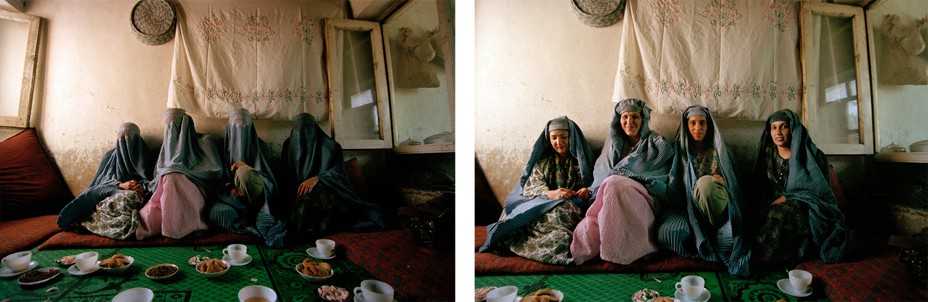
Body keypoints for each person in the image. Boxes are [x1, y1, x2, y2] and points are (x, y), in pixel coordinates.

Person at [478, 116, 595, 264]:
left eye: (563, 137)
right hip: (543, 201)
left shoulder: (583, 159)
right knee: (515, 217)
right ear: (548, 139)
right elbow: (533, 184)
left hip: (569, 206)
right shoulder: (543, 160)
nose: (558, 142)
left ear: (572, 137)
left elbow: (595, 182)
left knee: (560, 228)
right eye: (554, 138)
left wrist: (587, 190)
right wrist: (551, 193)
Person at [571, 98, 674, 265]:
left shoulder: (657, 144)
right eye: (625, 117)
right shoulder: (613, 144)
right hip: (609, 197)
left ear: (643, 119)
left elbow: (661, 178)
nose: (629, 122)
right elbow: (602, 172)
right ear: (618, 120)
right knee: (586, 231)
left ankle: (620, 253)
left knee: (614, 183)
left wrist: (624, 178)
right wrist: (591, 190)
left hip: (643, 200)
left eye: (635, 117)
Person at [656, 105, 751, 276]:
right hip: (688, 209)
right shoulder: (680, 152)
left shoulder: (719, 150)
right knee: (667, 232)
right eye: (692, 123)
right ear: (686, 126)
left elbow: (733, 187)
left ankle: (716, 237)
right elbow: (674, 188)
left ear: (708, 126)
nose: (697, 128)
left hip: (716, 209)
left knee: (705, 185)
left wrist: (721, 182)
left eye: (702, 123)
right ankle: (703, 240)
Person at [751, 109, 854, 266]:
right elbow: (759, 185)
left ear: (793, 128)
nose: (778, 132)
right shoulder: (767, 154)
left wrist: (785, 199)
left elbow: (816, 191)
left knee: (785, 211)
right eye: (774, 127)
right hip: (771, 202)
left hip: (806, 205)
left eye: (783, 126)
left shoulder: (811, 155)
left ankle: (785, 255)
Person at [279, 113, 384, 239]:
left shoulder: (331, 147)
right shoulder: (289, 145)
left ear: (314, 128)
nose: (301, 134)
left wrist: (318, 178)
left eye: (307, 128)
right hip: (296, 193)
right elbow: (284, 176)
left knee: (311, 198)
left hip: (327, 193)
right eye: (297, 129)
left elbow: (340, 175)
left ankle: (308, 233)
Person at [136, 108, 224, 240]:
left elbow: (216, 172)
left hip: (198, 188)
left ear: (186, 125)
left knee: (173, 177)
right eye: (169, 126)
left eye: (176, 125)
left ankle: (179, 227)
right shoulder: (166, 147)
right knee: (170, 178)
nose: (172, 130)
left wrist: (182, 171)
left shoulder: (205, 140)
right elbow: (157, 176)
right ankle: (172, 225)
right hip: (166, 190)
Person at [56, 122, 152, 239]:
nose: (125, 143)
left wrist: (141, 188)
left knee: (131, 198)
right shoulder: (109, 156)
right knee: (125, 198)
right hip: (112, 199)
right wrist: (120, 185)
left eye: (130, 138)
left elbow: (152, 182)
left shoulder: (145, 155)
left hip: (137, 200)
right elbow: (99, 183)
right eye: (122, 139)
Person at [209, 108, 288, 247]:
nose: (240, 132)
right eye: (237, 127)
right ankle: (245, 223)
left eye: (243, 127)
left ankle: (253, 216)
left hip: (258, 198)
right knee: (217, 212)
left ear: (250, 128)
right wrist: (230, 188)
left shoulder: (260, 146)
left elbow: (269, 180)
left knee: (243, 172)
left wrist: (249, 169)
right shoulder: (222, 147)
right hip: (232, 199)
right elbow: (217, 181)